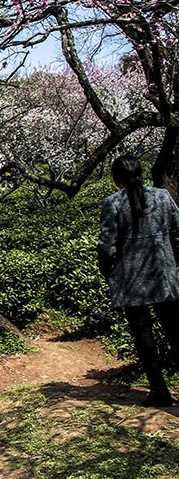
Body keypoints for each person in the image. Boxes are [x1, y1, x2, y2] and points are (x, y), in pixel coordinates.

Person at [97, 154, 179, 407]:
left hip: (131, 280)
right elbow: (177, 233)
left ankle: (158, 391)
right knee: (176, 331)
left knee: (143, 334)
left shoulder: (112, 203)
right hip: (163, 276)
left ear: (116, 179)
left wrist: (109, 272)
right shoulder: (163, 196)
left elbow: (106, 247)